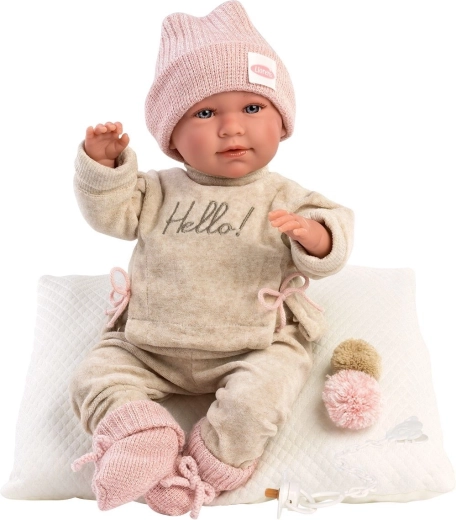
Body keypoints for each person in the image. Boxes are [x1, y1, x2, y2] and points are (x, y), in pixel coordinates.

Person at [69, 1, 354, 518]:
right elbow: (110, 214)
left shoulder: (285, 195)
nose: (231, 128)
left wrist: (313, 235)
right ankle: (142, 437)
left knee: (261, 396)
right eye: (205, 113)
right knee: (95, 375)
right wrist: (104, 168)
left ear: (282, 122)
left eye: (252, 108)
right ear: (172, 138)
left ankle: (207, 467)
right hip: (150, 344)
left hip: (255, 344)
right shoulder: (156, 190)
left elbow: (334, 233)